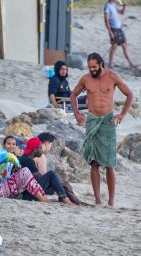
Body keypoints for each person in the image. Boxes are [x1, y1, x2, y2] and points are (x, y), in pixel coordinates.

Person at [70, 52, 133, 206]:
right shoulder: (86, 79)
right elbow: (73, 96)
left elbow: (130, 94)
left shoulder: (112, 77)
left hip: (108, 122)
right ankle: (98, 200)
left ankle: (111, 201)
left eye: (94, 67)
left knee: (110, 163)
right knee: (94, 162)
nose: (92, 70)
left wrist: (122, 114)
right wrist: (77, 114)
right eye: (90, 67)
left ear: (101, 64)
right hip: (92, 121)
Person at [0, 135, 49, 202]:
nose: (11, 146)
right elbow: (11, 158)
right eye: (8, 144)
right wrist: (18, 166)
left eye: (13, 144)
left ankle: (43, 196)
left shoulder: (7, 157)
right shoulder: (3, 154)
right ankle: (42, 198)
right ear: (4, 145)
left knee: (25, 173)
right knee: (25, 171)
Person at [19, 137, 72, 204]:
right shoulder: (28, 161)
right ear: (35, 149)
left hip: (29, 192)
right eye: (40, 148)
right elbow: (37, 177)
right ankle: (64, 198)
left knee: (57, 183)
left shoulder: (25, 158)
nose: (42, 150)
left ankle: (66, 197)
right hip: (28, 194)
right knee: (51, 174)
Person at [34, 132, 82, 205]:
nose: (50, 147)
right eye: (50, 144)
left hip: (32, 186)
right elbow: (43, 175)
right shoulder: (41, 156)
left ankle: (67, 197)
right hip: (36, 189)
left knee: (60, 182)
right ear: (46, 144)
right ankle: (66, 198)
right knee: (55, 178)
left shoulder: (33, 153)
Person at [104, 0, 137, 68]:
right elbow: (106, 20)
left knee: (124, 45)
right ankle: (110, 63)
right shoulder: (107, 6)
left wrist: (124, 5)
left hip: (119, 28)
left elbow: (122, 12)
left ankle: (131, 63)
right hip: (113, 29)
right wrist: (110, 32)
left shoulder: (114, 5)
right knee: (114, 46)